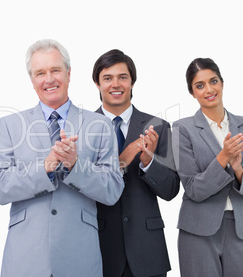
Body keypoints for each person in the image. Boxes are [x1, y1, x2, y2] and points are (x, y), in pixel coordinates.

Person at [0, 39, 124, 277]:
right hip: (26, 257)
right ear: (32, 80)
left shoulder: (99, 124)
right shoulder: (10, 125)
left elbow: (112, 189)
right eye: (40, 73)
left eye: (55, 70)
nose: (48, 79)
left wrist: (75, 166)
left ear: (69, 74)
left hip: (79, 255)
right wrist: (46, 166)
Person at [93, 49, 180, 277]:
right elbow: (82, 186)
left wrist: (148, 162)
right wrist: (120, 162)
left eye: (123, 77)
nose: (116, 84)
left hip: (147, 250)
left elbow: (171, 190)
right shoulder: (84, 128)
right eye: (108, 78)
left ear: (132, 81)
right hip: (100, 248)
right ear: (97, 83)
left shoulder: (158, 126)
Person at [172, 58, 243, 277]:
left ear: (222, 82)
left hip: (239, 228)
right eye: (199, 85)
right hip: (198, 230)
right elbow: (193, 188)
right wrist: (224, 157)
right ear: (192, 92)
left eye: (213, 81)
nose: (209, 89)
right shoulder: (182, 129)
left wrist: (238, 170)